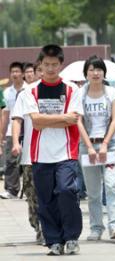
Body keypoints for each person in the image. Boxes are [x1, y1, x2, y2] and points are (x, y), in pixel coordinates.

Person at [23, 44, 83, 255]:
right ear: (40, 64)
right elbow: (36, 122)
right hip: (40, 154)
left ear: (61, 65)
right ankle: (54, 240)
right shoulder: (30, 90)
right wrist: (63, 119)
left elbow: (74, 119)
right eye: (46, 64)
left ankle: (71, 237)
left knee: (67, 191)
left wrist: (56, 120)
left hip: (66, 152)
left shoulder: (71, 89)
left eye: (54, 65)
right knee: (46, 199)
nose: (50, 69)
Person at [77, 55, 115, 241]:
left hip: (110, 145)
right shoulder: (80, 94)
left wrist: (105, 144)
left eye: (99, 69)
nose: (95, 73)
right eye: (91, 69)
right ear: (86, 73)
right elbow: (78, 122)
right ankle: (96, 227)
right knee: (93, 191)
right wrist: (89, 147)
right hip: (87, 145)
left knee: (112, 186)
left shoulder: (112, 92)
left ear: (104, 72)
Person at [11, 64, 44, 244]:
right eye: (40, 69)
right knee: (32, 196)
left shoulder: (61, 91)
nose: (41, 73)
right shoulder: (26, 93)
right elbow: (17, 119)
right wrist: (16, 142)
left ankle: (47, 228)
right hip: (30, 156)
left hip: (53, 155)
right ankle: (37, 225)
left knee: (50, 195)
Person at [0, 61, 26, 199]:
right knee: (10, 161)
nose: (15, 74)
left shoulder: (29, 89)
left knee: (28, 161)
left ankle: (29, 190)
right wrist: (2, 135)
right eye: (12, 72)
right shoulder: (7, 92)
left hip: (27, 130)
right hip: (11, 130)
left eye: (17, 71)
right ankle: (11, 190)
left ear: (23, 73)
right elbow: (5, 114)